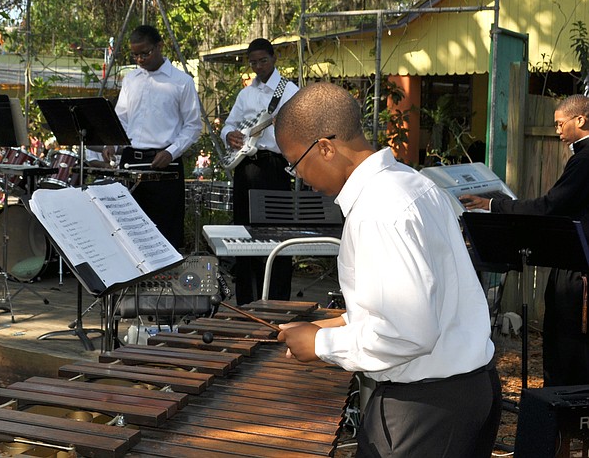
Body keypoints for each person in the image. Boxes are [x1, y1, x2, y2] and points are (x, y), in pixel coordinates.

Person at [275, 82, 501, 457]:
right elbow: (431, 297)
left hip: (425, 408)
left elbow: (408, 333)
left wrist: (320, 344)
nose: (299, 178)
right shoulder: (416, 184)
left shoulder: (377, 211)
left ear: (326, 148)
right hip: (470, 391)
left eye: (296, 163)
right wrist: (332, 324)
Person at [461, 94, 589, 387]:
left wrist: (494, 205)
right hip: (578, 264)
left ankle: (563, 415)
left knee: (567, 352)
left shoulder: (584, 159)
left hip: (578, 272)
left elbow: (550, 207)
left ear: (579, 120)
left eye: (560, 124)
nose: (557, 130)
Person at [103, 25, 202, 249]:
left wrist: (171, 151)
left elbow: (193, 126)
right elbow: (123, 119)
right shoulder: (131, 80)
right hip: (132, 161)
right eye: (135, 55)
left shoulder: (181, 81)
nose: (140, 59)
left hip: (165, 162)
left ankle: (164, 281)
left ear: (159, 47)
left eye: (145, 53)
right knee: (130, 228)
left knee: (165, 230)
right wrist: (113, 143)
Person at [221, 38, 298, 304]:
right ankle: (246, 300)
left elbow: (298, 134)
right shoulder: (246, 94)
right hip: (245, 168)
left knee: (277, 234)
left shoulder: (289, 91)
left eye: (262, 60)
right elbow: (229, 125)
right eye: (253, 62)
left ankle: (277, 301)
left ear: (274, 58)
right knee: (244, 233)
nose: (258, 66)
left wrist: (280, 127)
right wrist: (228, 135)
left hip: (275, 169)